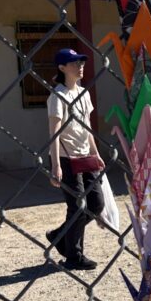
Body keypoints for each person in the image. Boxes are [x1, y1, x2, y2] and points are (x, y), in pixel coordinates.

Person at [47, 48, 105, 270]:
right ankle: (74, 256)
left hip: (86, 155)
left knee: (96, 204)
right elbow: (54, 133)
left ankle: (60, 236)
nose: (80, 66)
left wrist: (96, 153)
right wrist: (56, 165)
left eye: (81, 62)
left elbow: (87, 127)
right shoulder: (57, 97)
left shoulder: (84, 93)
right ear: (62, 68)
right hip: (66, 158)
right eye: (74, 63)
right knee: (77, 207)